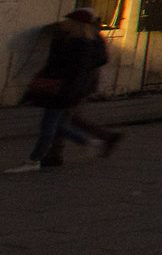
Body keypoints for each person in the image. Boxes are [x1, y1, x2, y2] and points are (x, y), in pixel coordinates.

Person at [11, 9, 121, 171]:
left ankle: (37, 160)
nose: (64, 23)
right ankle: (89, 143)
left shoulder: (82, 44)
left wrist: (68, 91)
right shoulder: (74, 38)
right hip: (65, 89)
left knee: (52, 124)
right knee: (56, 124)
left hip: (63, 90)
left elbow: (74, 70)